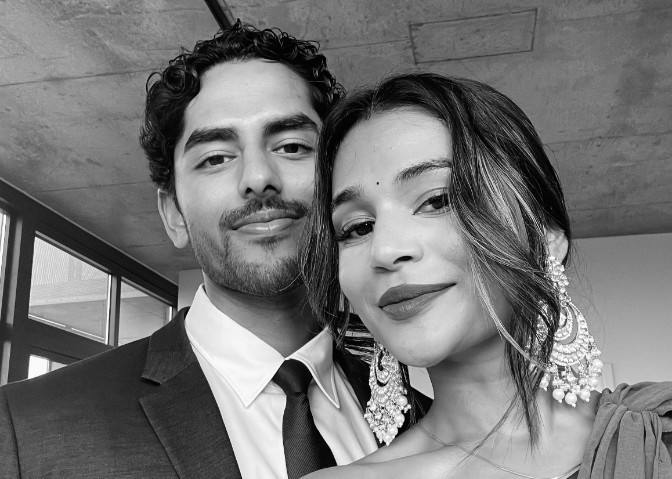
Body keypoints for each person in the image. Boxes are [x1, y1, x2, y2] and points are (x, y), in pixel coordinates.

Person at [0, 22, 384, 478]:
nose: (258, 177)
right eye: (216, 158)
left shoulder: (418, 415)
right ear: (174, 215)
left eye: (292, 146)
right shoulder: (27, 429)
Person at [301, 73, 672, 478]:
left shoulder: (657, 432)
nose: (384, 251)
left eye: (436, 200)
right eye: (357, 228)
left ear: (545, 238)